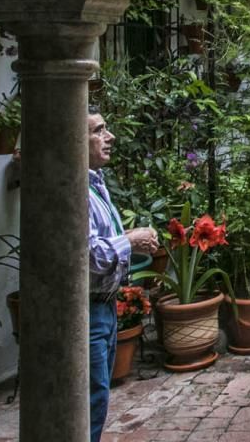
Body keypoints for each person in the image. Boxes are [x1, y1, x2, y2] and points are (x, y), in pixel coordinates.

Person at [86, 108, 158, 442]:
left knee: (97, 398)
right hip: (86, 312)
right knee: (88, 401)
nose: (110, 136)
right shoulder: (76, 190)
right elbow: (90, 255)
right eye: (99, 130)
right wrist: (130, 240)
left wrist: (133, 241)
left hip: (104, 307)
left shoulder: (95, 184)